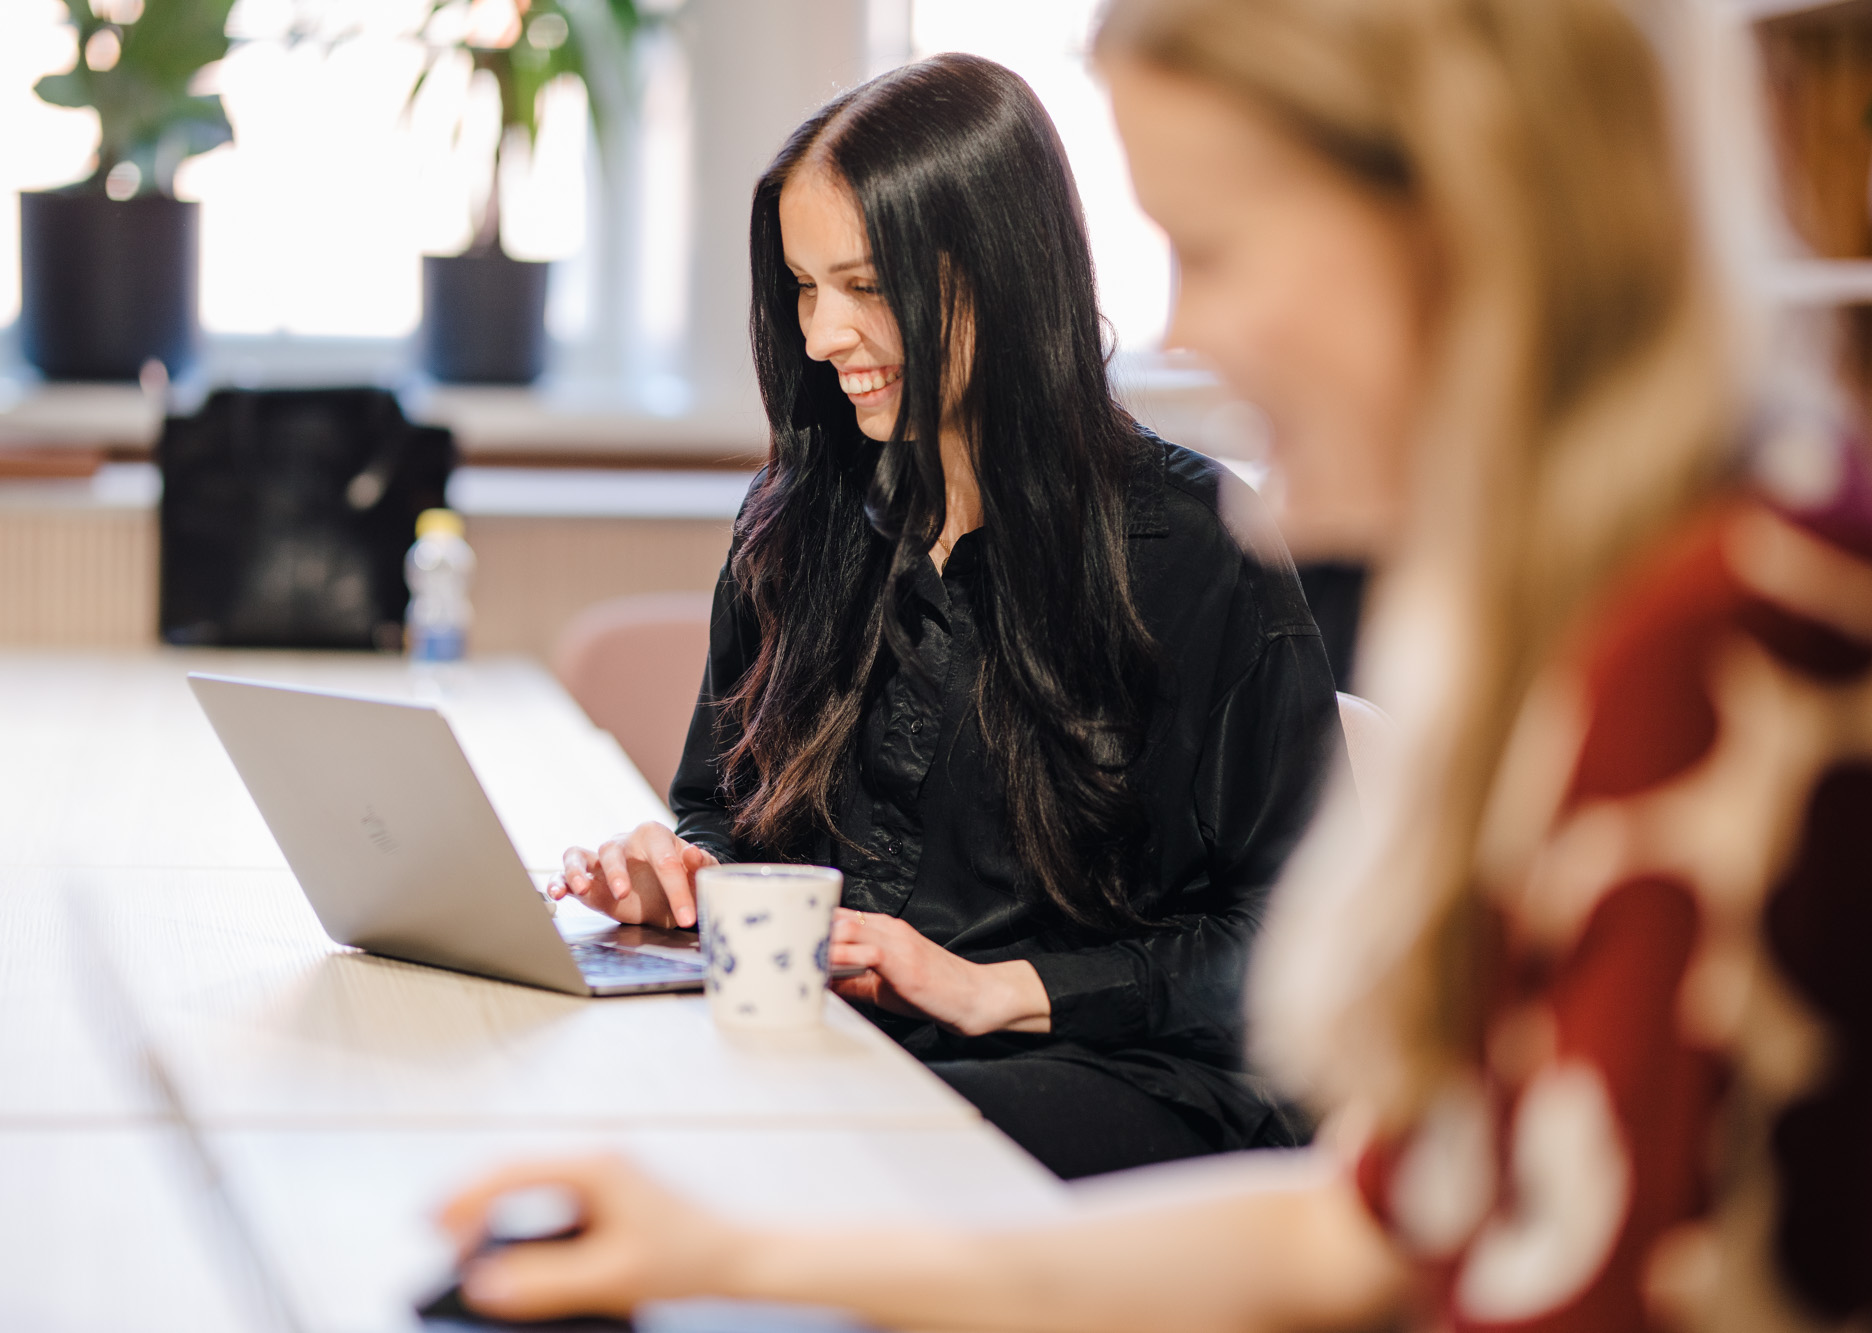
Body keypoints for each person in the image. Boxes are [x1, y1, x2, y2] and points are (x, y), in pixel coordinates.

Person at [442, 0, 1872, 1328]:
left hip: (1095, 1083)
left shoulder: (1738, 650)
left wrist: (1009, 995)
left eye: (1222, 247)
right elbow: (1369, 1228)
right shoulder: (1546, 648)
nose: (1185, 327)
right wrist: (736, 1246)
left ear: (1471, 211)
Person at [546, 52, 1340, 1181]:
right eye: (803, 287)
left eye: (864, 287)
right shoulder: (797, 518)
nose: (821, 337)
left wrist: (996, 990)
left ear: (1002, 274)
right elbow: (723, 816)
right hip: (868, 1055)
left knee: (827, 1158)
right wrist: (674, 879)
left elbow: (1309, 940)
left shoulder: (1192, 544)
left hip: (1122, 1073)